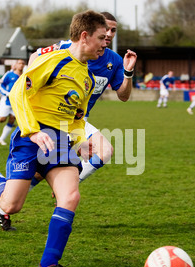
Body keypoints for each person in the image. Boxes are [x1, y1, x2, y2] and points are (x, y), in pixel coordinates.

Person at [0, 10, 108, 267]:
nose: (105, 43)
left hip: (60, 144)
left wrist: (80, 142)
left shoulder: (86, 78)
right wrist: (33, 131)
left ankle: (48, 265)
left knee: (70, 197)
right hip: (30, 138)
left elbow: (77, 118)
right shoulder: (54, 60)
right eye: (101, 37)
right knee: (11, 205)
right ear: (84, 36)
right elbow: (18, 92)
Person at [28, 11, 137, 186]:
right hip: (51, 118)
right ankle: (1, 193)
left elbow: (124, 96)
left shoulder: (114, 60)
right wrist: (30, 85)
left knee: (103, 152)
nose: (109, 34)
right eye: (106, 29)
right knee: (41, 168)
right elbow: (35, 56)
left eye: (113, 30)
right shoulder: (65, 47)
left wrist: (128, 72)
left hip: (77, 121)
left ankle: (4, 197)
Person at [0, 59, 25, 145]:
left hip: (17, 103)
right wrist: (6, 93)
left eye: (23, 63)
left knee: (12, 119)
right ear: (16, 65)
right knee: (2, 120)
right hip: (7, 101)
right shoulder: (9, 74)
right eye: (19, 63)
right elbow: (0, 84)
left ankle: (1, 140)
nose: (21, 65)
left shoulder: (25, 76)